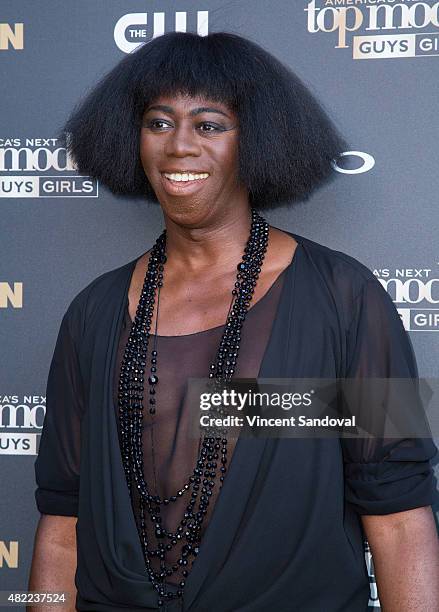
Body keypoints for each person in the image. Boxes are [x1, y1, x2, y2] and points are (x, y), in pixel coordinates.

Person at [28, 31, 439, 612]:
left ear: (258, 142)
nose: (179, 148)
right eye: (159, 122)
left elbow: (398, 519)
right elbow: (61, 524)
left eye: (210, 125)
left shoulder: (344, 298)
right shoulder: (94, 312)